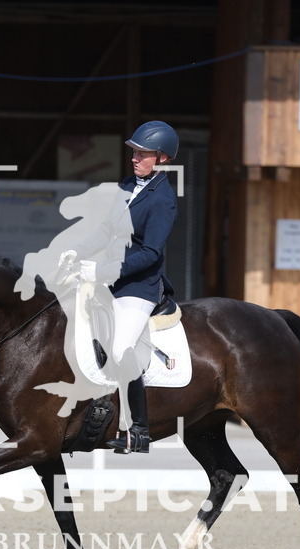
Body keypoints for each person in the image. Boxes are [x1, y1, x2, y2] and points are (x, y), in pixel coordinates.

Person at [100, 120, 180, 453]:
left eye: (142, 153)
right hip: (108, 279)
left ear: (161, 158)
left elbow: (150, 253)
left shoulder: (163, 199)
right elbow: (105, 230)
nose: (134, 157)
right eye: (134, 151)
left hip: (138, 288)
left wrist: (107, 269)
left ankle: (139, 430)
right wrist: (76, 253)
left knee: (120, 350)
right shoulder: (126, 185)